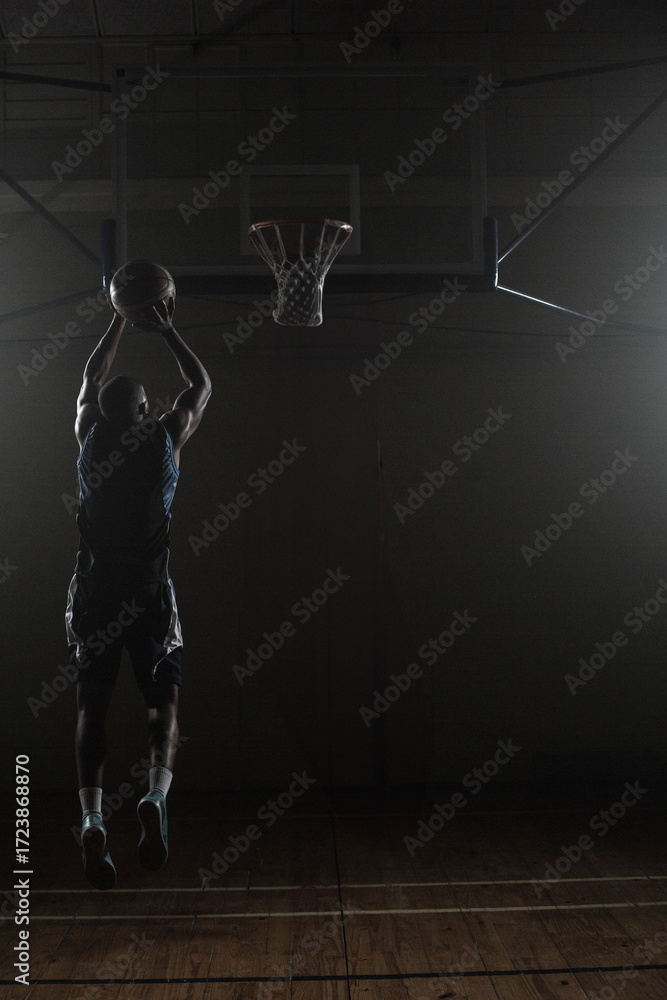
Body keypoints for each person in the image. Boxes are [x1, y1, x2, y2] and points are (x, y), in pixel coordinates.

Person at [65, 295, 211, 890]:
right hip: (150, 593)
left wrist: (118, 318)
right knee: (163, 704)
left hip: (97, 589)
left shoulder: (90, 436)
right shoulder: (165, 440)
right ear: (148, 410)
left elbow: (87, 379)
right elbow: (200, 385)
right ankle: (154, 796)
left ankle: (93, 815)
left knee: (91, 706)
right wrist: (168, 330)